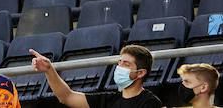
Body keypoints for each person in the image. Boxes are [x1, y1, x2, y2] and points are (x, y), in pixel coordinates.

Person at [31, 45, 159, 108]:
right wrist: (49, 70)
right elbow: (67, 97)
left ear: (141, 73)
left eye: (126, 64)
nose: (119, 67)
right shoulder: (109, 100)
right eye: (119, 63)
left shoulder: (149, 102)